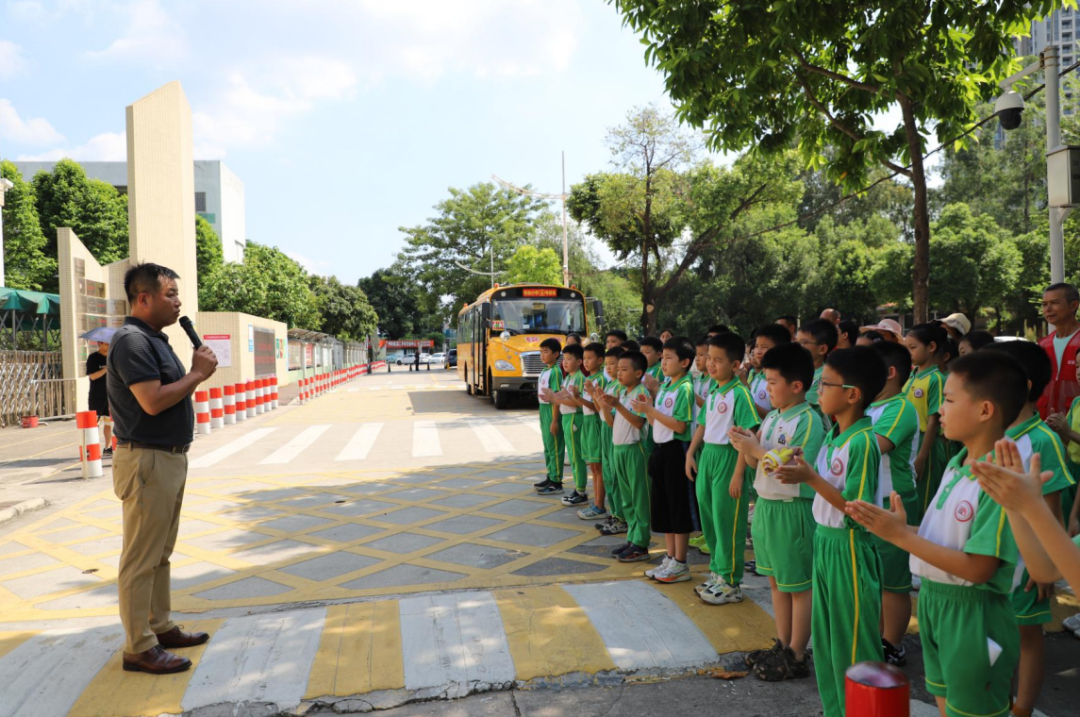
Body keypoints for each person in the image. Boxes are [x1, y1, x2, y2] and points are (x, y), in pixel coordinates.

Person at [848, 351, 1026, 717]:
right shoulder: (959, 465)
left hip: (974, 616)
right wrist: (893, 527)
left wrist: (901, 537)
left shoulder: (997, 480)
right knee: (947, 703)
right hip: (935, 603)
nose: (939, 410)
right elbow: (941, 539)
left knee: (973, 710)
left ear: (985, 411)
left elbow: (978, 568)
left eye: (947, 400)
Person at [108, 263, 218, 674]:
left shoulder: (155, 340)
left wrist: (192, 373)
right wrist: (196, 374)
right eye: (170, 294)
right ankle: (138, 646)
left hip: (168, 456)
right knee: (141, 557)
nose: (178, 302)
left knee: (161, 553)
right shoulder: (131, 341)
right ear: (144, 298)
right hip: (147, 459)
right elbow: (152, 401)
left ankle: (159, 625)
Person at [773, 347, 886, 717]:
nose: (817, 391)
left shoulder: (863, 442)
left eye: (825, 385)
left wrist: (811, 478)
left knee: (852, 639)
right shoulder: (837, 437)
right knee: (828, 638)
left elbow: (857, 512)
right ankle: (837, 707)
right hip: (825, 540)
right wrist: (804, 472)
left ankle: (860, 709)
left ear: (852, 394)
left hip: (848, 547)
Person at [988, 340, 1076, 717]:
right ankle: (999, 701)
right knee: (995, 636)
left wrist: (1046, 570)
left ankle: (1022, 709)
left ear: (1020, 385)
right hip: (991, 557)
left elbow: (1053, 513)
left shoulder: (1042, 439)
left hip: (1028, 563)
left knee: (1026, 637)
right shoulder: (991, 431)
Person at [727, 342, 823, 681]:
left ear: (796, 386)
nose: (766, 388)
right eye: (765, 381)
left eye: (772, 382)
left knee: (798, 585)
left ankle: (797, 652)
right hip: (767, 507)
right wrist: (746, 445)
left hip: (792, 508)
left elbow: (791, 468)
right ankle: (783, 644)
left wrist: (755, 448)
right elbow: (759, 461)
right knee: (777, 582)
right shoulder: (774, 419)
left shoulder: (809, 421)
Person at [685, 332, 760, 605]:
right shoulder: (715, 390)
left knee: (728, 520)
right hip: (709, 456)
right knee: (710, 518)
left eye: (718, 360)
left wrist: (739, 473)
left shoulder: (741, 394)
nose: (710, 364)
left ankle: (731, 581)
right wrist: (691, 453)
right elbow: (703, 424)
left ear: (736, 364)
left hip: (730, 457)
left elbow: (747, 434)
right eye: (708, 358)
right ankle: (717, 572)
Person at [866, 341, 921, 667]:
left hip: (893, 501)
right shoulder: (873, 406)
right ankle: (877, 638)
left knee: (893, 582)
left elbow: (875, 446)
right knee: (875, 579)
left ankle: (893, 644)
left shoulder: (900, 408)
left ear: (889, 373)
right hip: (871, 499)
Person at [635, 337, 696, 583]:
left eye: (669, 358)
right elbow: (655, 422)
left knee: (677, 506)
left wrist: (651, 411)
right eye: (663, 357)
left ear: (684, 362)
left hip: (676, 451)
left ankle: (680, 562)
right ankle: (670, 558)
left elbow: (681, 426)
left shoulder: (684, 388)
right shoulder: (666, 387)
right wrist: (648, 408)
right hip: (661, 449)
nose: (664, 362)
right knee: (664, 507)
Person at [598, 350, 652, 562]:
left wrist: (617, 405)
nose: (619, 373)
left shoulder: (640, 393)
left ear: (638, 373)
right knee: (627, 498)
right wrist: (604, 405)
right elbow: (612, 423)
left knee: (639, 498)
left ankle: (641, 543)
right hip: (618, 449)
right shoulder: (624, 392)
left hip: (634, 450)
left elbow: (639, 422)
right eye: (617, 369)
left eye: (624, 369)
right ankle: (632, 538)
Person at [904, 323, 948, 519]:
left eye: (913, 348)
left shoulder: (936, 379)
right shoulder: (912, 376)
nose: (909, 353)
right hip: (910, 440)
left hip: (926, 444)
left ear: (931, 347)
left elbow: (934, 421)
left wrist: (921, 457)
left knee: (925, 499)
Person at [591, 346, 628, 536]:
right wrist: (594, 396)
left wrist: (600, 402)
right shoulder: (610, 385)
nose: (611, 368)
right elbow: (602, 411)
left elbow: (612, 418)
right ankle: (614, 513)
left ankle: (621, 517)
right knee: (608, 474)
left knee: (615, 476)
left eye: (614, 364)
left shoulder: (622, 389)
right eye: (608, 365)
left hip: (614, 432)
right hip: (606, 430)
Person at [575, 343, 609, 521]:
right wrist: (578, 397)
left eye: (590, 358)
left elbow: (597, 408)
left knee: (598, 466)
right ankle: (596, 502)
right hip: (587, 423)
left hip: (595, 423)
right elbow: (588, 406)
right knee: (593, 466)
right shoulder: (589, 379)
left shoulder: (601, 379)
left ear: (600, 360)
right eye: (585, 358)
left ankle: (599, 505)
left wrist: (586, 394)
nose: (586, 362)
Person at [552, 344, 589, 505]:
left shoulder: (580, 378)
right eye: (563, 359)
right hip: (567, 418)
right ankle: (577, 489)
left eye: (569, 359)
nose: (565, 362)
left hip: (575, 418)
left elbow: (579, 403)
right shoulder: (567, 377)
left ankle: (580, 491)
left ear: (579, 361)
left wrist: (556, 399)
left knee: (576, 456)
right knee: (573, 456)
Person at [1038, 282, 1080, 418]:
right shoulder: (1043, 345)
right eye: (1044, 304)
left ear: (1074, 305)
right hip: (1046, 425)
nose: (1048, 309)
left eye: (1054, 303)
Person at [534, 338, 565, 495]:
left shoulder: (556, 372)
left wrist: (554, 420)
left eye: (545, 352)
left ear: (556, 354)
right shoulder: (546, 370)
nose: (542, 355)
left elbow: (556, 398)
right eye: (541, 352)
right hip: (543, 409)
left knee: (555, 446)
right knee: (548, 446)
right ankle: (551, 474)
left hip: (552, 411)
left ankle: (557, 481)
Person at [796, 318, 839, 423]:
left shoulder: (824, 378)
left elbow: (797, 409)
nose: (796, 347)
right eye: (796, 342)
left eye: (803, 343)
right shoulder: (797, 372)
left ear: (822, 349)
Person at [748, 324, 791, 418]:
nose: (758, 351)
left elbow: (778, 417)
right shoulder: (757, 376)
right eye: (756, 346)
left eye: (764, 347)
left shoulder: (782, 380)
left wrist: (749, 403)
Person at [86, 340, 113, 457]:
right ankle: (91, 448)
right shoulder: (93, 358)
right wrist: (106, 368)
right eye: (107, 344)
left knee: (109, 423)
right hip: (96, 397)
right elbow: (93, 376)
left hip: (111, 396)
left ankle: (108, 447)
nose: (109, 346)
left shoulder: (113, 357)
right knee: (94, 424)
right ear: (100, 344)